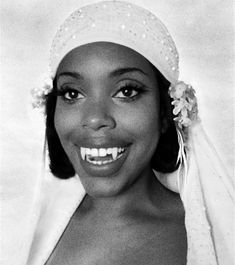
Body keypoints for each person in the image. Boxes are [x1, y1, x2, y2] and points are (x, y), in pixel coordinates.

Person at [24, 1, 233, 264]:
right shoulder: (23, 225)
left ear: (165, 112)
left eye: (126, 91)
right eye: (72, 93)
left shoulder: (213, 238)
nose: (95, 119)